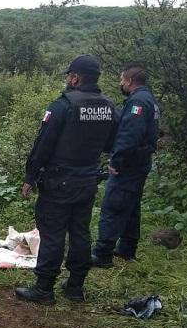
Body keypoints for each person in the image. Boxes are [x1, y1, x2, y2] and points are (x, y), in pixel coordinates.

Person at [16, 55, 117, 304]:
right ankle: (74, 287)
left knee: (52, 234)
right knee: (81, 233)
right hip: (88, 179)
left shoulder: (63, 105)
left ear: (75, 78)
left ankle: (43, 289)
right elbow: (111, 144)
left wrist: (30, 176)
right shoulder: (108, 107)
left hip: (59, 181)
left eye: (69, 76)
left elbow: (43, 144)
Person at [91, 65, 160, 267]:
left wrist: (116, 160)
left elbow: (130, 135)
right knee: (131, 205)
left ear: (129, 81)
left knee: (114, 205)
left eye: (122, 80)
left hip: (129, 164)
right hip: (140, 162)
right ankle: (127, 248)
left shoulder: (138, 101)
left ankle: (103, 253)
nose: (120, 83)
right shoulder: (150, 99)